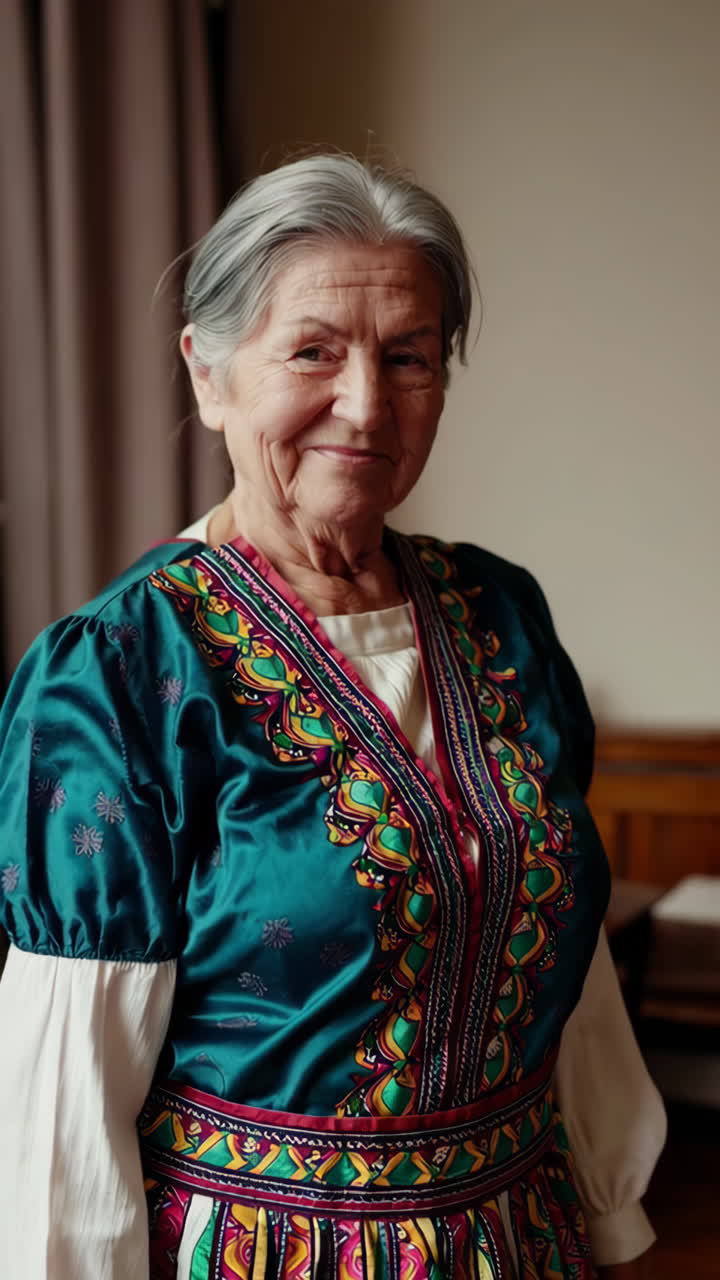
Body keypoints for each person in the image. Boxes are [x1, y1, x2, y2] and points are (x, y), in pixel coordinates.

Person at [0, 154, 665, 1279]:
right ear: (209, 376)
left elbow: (569, 956)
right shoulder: (121, 670)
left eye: (408, 356)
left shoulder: (501, 614)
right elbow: (70, 1095)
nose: (365, 403)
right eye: (313, 350)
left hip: (521, 1237)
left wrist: (611, 1207)